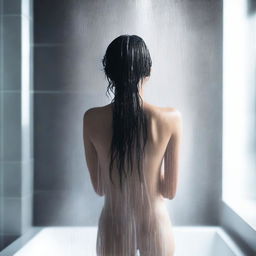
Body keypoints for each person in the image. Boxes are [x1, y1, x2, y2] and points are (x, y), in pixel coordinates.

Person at [83, 34, 183, 256]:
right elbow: (169, 191)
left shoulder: (91, 119)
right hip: (154, 226)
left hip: (114, 226)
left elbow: (99, 188)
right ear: (148, 72)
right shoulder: (170, 118)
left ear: (108, 72)